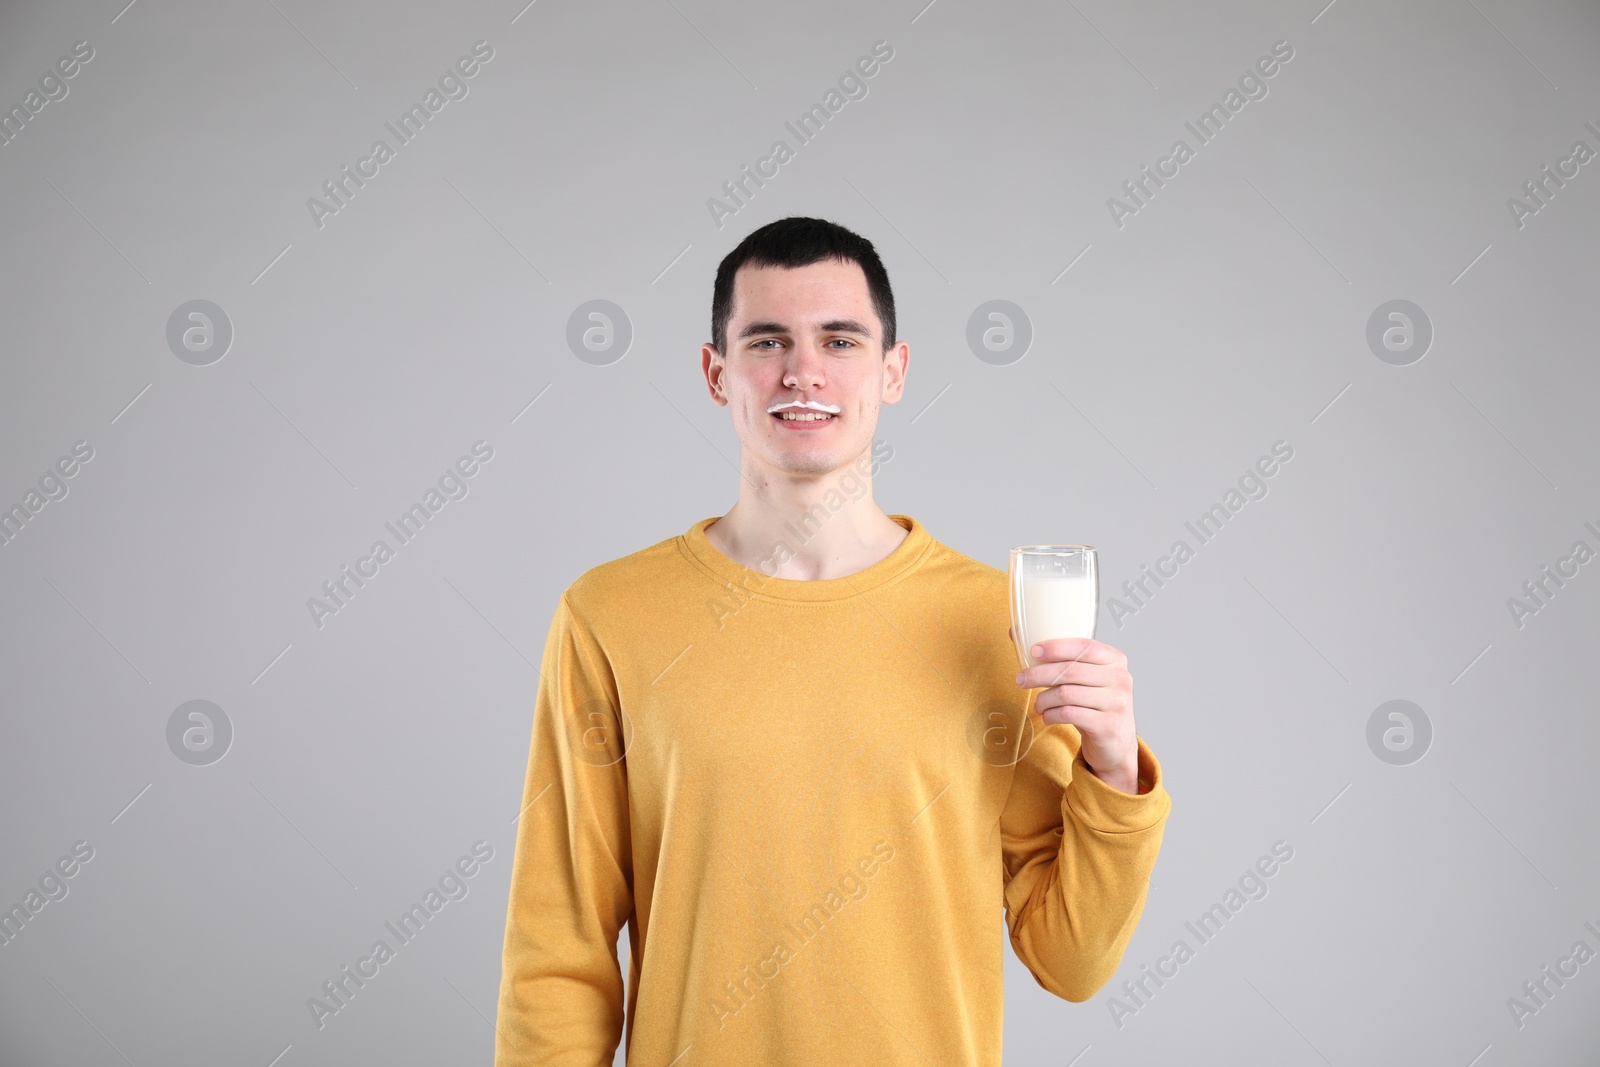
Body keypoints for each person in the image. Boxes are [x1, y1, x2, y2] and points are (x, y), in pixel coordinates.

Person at [493, 216, 1171, 1065]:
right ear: (716, 373)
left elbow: (1070, 961)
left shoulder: (995, 621)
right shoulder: (610, 616)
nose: (803, 370)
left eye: (840, 340)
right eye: (767, 340)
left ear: (893, 371)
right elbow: (559, 950)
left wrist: (1110, 771)